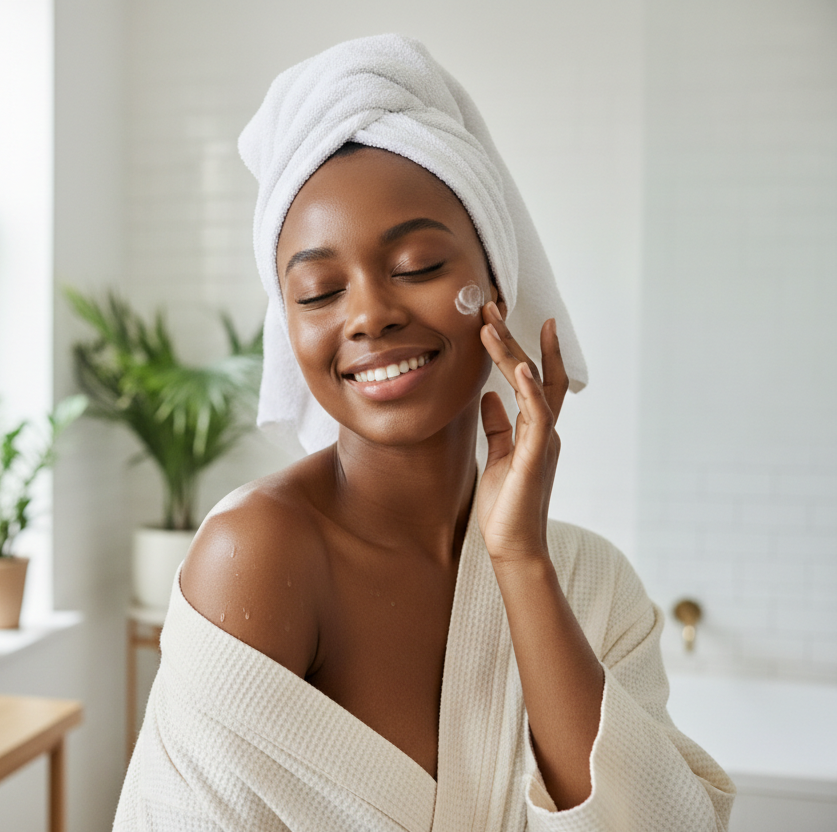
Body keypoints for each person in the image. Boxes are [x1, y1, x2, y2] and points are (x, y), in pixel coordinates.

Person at [114, 34, 734, 831]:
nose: (370, 313)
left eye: (417, 266)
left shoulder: (593, 586)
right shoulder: (260, 556)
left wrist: (520, 561)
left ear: (497, 286)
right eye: (319, 291)